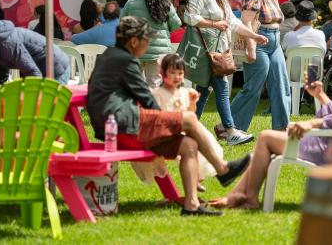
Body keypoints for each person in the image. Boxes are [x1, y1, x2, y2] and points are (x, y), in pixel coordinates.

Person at [86, 16, 252, 216]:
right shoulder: (126, 60)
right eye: (147, 39)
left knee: (188, 145)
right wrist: (172, 120)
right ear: (133, 41)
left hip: (116, 127)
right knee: (189, 120)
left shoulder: (109, 55)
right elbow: (148, 100)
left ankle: (191, 206)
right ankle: (223, 169)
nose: (149, 44)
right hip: (123, 127)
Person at [210, 39, 332, 210]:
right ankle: (238, 195)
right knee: (265, 144)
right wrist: (320, 95)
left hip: (329, 148)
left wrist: (311, 124)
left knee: (266, 137)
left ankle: (247, 197)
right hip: (329, 143)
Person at [183, 0, 267, 146]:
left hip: (218, 51)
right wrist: (213, 24)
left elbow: (233, 22)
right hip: (208, 51)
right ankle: (229, 131)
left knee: (203, 91)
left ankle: (189, 131)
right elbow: (189, 17)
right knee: (221, 88)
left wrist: (254, 36)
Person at [231, 0, 291, 134]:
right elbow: (246, 22)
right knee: (253, 87)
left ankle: (281, 129)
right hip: (259, 41)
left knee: (281, 84)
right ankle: (230, 126)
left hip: (275, 42)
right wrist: (251, 47)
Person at [153, 54, 223, 185]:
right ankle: (196, 176)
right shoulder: (158, 94)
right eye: (172, 73)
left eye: (180, 73)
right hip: (165, 132)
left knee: (200, 140)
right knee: (192, 142)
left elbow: (190, 114)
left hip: (181, 129)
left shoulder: (183, 92)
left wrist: (192, 102)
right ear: (162, 73)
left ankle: (197, 175)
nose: (177, 77)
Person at [121, 0, 181, 87]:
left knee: (133, 86)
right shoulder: (165, 2)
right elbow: (177, 24)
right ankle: (152, 104)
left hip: (136, 49)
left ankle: (135, 104)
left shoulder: (132, 2)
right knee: (154, 85)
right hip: (158, 53)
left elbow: (122, 22)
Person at [0, 20, 71, 86]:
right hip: (44, 68)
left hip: (56, 67)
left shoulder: (9, 44)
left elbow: (33, 72)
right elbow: (1, 75)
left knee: (52, 108)